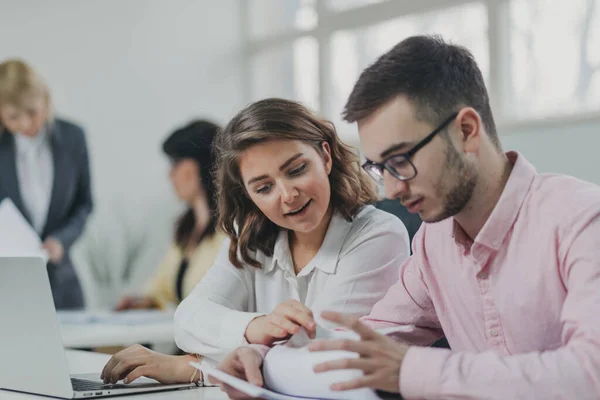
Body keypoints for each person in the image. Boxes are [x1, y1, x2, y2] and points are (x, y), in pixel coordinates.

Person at [215, 35, 600, 400]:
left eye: (401, 161)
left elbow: (591, 373)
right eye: (380, 167)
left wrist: (413, 370)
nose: (392, 191)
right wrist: (262, 360)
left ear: (466, 131)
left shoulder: (581, 219)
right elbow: (365, 347)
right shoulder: (434, 244)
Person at [99, 98, 410, 385]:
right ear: (248, 194)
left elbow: (318, 355)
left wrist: (194, 369)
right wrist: (255, 326)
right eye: (263, 187)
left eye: (297, 170)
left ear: (325, 157)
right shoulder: (248, 238)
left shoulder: (379, 235)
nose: (288, 195)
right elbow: (188, 319)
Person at [0, 59, 92, 310]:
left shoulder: (73, 138)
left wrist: (61, 240)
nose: (26, 124)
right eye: (13, 117)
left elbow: (85, 203)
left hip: (62, 284)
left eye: (32, 112)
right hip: (8, 286)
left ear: (45, 100)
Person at [115, 120, 227, 311]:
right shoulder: (187, 228)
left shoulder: (232, 230)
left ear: (194, 168)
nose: (170, 175)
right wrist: (144, 301)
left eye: (174, 163)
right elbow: (162, 285)